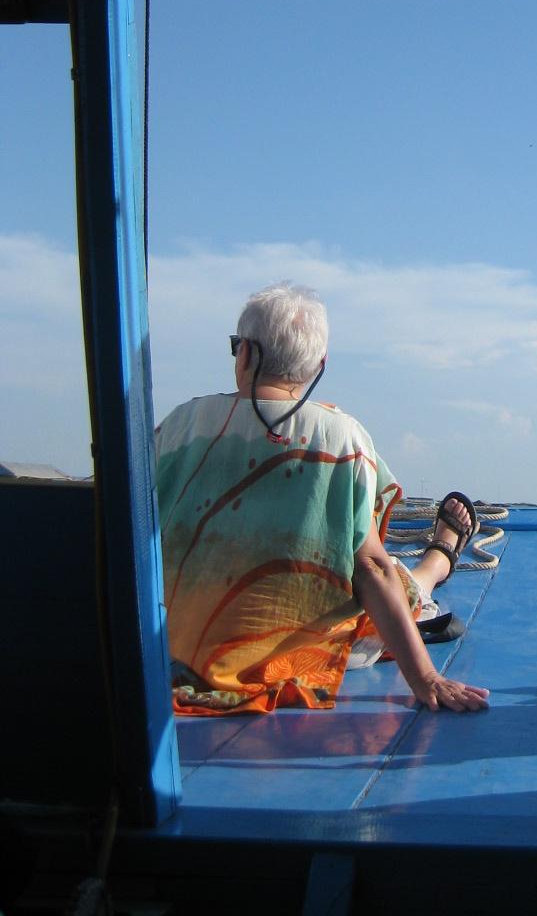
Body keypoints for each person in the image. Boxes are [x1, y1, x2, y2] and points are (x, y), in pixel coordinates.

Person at [155, 282, 489, 717]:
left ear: (247, 354)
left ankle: (437, 560)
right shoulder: (342, 437)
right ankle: (441, 556)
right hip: (290, 657)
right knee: (399, 584)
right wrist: (426, 677)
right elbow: (370, 567)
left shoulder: (181, 423)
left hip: (180, 650)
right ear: (319, 365)